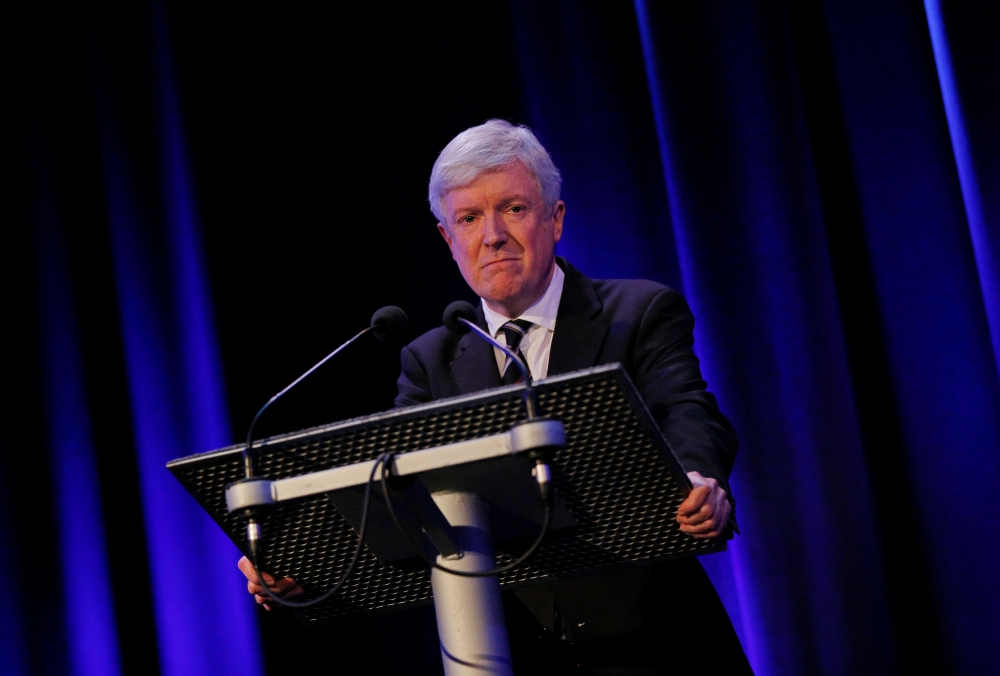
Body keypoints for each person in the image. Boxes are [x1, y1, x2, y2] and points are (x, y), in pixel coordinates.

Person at [241, 120, 751, 674]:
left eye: (513, 208)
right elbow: (390, 492)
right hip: (507, 653)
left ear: (555, 218)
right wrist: (302, 568)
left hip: (654, 639)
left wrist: (700, 477)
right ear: (448, 239)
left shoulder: (637, 312)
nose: (493, 236)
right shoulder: (430, 360)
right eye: (469, 218)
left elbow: (686, 408)